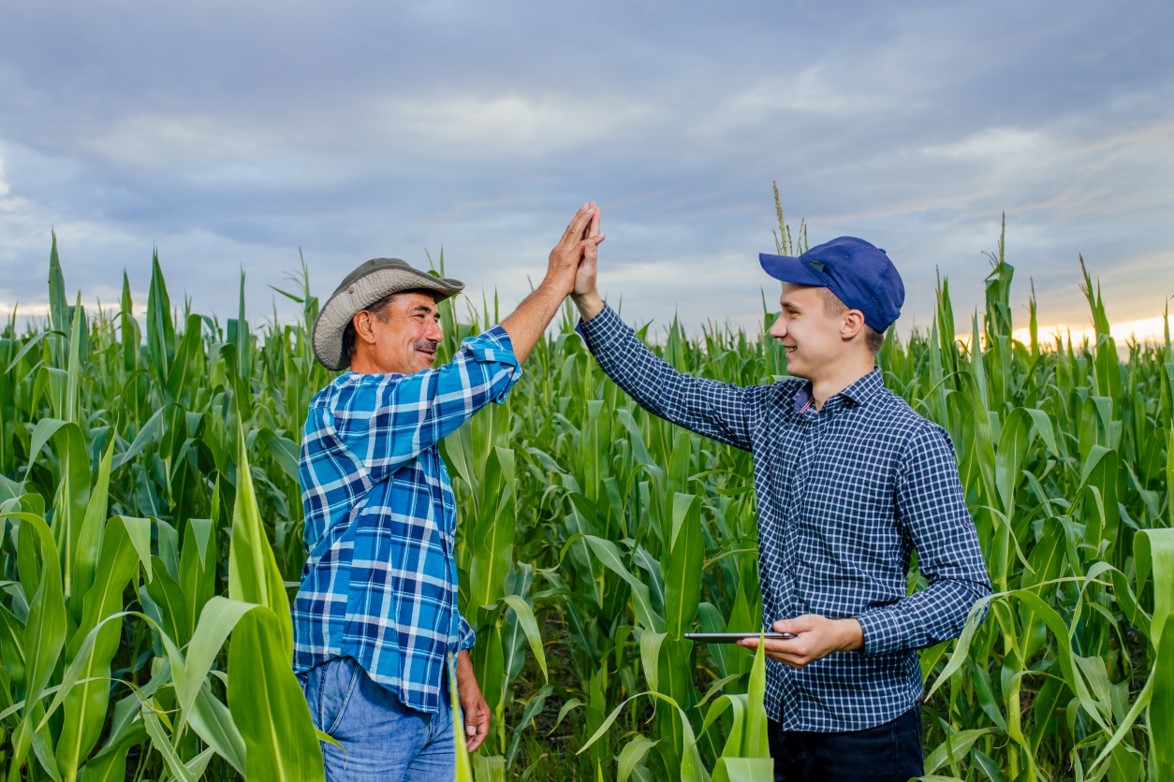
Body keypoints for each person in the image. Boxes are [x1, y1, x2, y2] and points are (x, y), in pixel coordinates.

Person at [571, 224, 990, 781]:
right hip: (786, 715)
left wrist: (846, 633)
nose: (776, 329)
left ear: (849, 324)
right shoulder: (771, 412)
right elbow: (667, 388)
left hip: (867, 730)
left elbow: (965, 591)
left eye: (791, 313)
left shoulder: (911, 441)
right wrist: (589, 300)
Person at [292, 203, 603, 780]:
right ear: (366, 325)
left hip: (424, 687)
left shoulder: (410, 441)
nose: (436, 332)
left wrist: (461, 676)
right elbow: (472, 379)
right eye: (419, 315)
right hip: (362, 684)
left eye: (437, 319)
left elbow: (425, 567)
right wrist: (557, 284)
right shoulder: (349, 406)